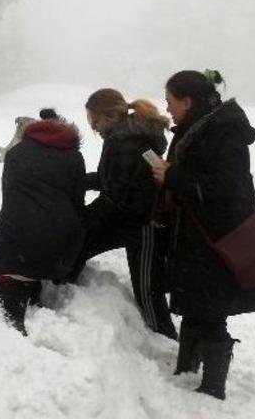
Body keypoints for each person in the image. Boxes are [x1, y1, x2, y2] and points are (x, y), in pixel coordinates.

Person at [150, 70, 255, 400]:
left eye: (170, 101)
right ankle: (186, 369)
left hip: (215, 240)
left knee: (211, 313)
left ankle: (213, 389)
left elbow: (226, 190)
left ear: (187, 101)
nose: (167, 108)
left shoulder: (222, 132)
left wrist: (173, 176)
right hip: (197, 238)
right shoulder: (199, 127)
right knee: (193, 305)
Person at [65, 89, 178, 340]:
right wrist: (77, 181)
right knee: (81, 245)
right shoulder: (121, 137)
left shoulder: (128, 142)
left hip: (145, 224)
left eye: (94, 119)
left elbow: (114, 193)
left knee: (147, 290)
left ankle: (165, 341)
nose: (93, 126)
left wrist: (85, 219)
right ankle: (63, 294)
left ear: (107, 115)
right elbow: (111, 180)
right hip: (127, 219)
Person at [0, 108, 86, 335]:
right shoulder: (74, 156)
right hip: (61, 250)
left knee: (11, 289)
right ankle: (37, 283)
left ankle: (14, 320)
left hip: (17, 246)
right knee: (40, 252)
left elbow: (10, 200)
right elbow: (78, 203)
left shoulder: (16, 153)